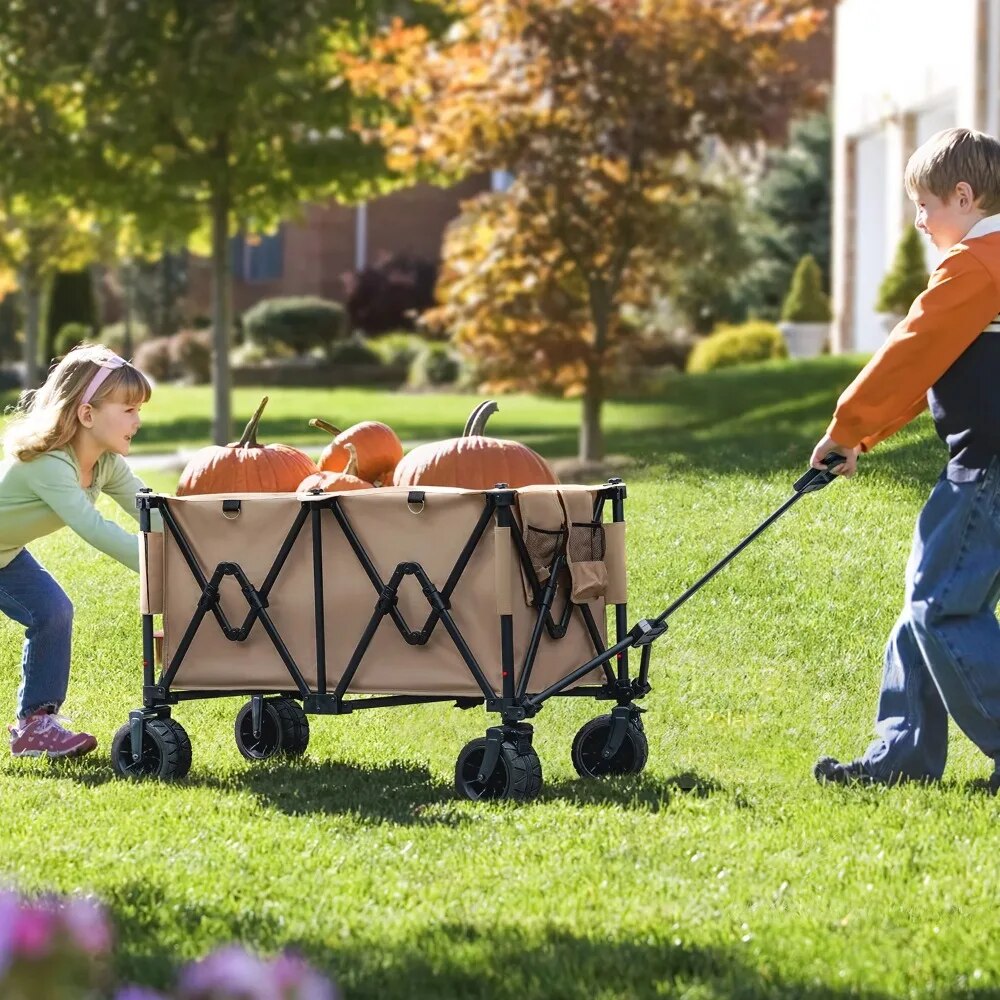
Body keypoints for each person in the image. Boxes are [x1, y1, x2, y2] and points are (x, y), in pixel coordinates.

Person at [810, 127, 1000, 789]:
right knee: (926, 600)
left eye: (925, 205)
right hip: (978, 465)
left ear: (964, 195)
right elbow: (932, 373)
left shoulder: (978, 264)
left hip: (987, 469)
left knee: (941, 608)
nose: (919, 222)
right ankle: (903, 757)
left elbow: (909, 354)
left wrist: (845, 428)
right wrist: (860, 438)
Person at [0, 345, 157, 758]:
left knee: (53, 611)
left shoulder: (105, 464)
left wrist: (197, 542)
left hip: (5, 553)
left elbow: (148, 508)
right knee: (51, 610)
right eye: (128, 409)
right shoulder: (49, 463)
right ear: (87, 415)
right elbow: (93, 528)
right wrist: (159, 566)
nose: (137, 421)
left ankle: (35, 724)